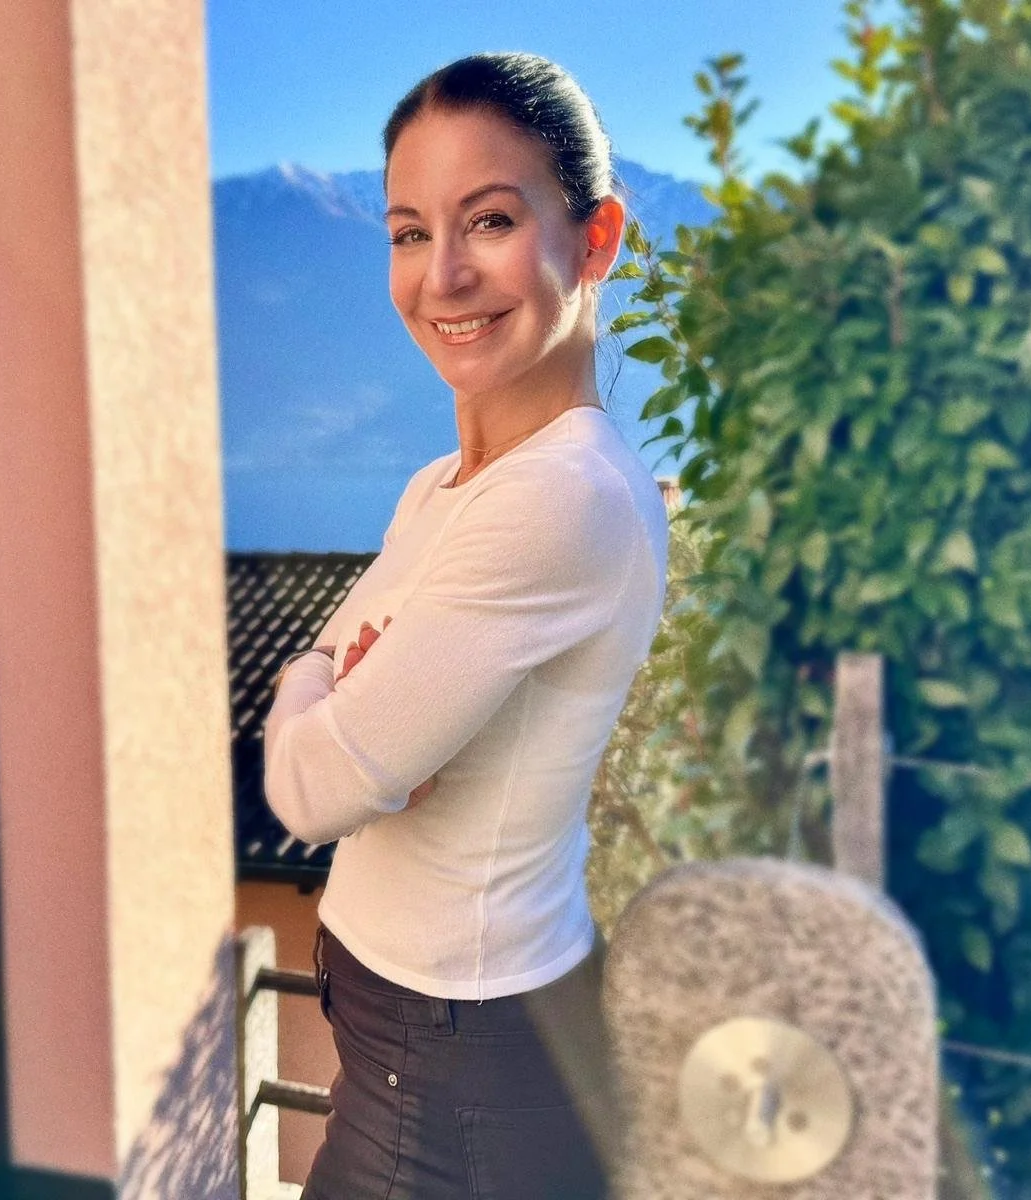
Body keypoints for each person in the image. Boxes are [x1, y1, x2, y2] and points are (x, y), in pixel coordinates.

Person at [262, 50, 669, 1200]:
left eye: (488, 220)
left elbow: (308, 792)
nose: (441, 276)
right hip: (415, 1038)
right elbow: (337, 723)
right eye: (405, 232)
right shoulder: (441, 487)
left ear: (596, 239)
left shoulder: (561, 496)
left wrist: (326, 700)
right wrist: (334, 691)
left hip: (453, 1062)